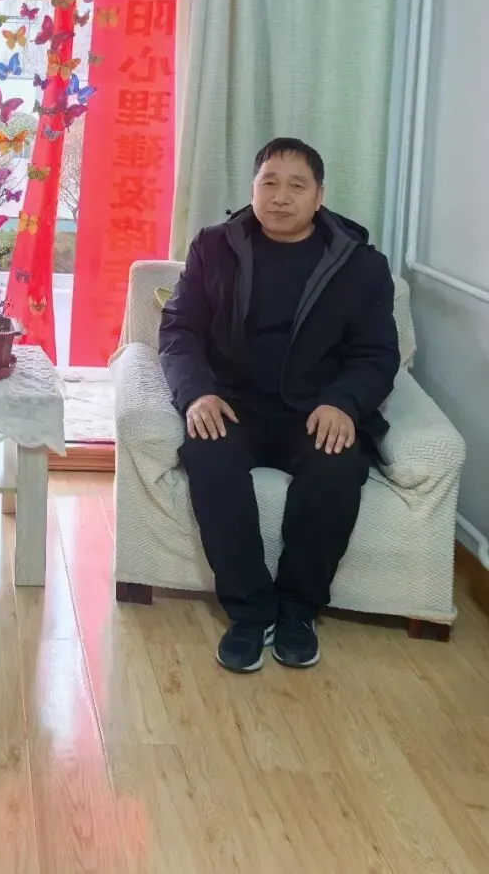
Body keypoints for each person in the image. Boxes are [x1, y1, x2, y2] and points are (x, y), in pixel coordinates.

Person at [159, 137, 400, 674]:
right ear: (253, 188)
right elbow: (179, 330)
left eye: (297, 185)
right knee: (208, 454)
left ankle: (297, 610)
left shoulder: (361, 265)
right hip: (233, 405)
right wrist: (197, 392)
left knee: (338, 464)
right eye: (269, 182)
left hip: (315, 410)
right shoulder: (214, 246)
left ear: (319, 196)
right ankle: (250, 613)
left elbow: (377, 353)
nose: (280, 196)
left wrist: (343, 402)